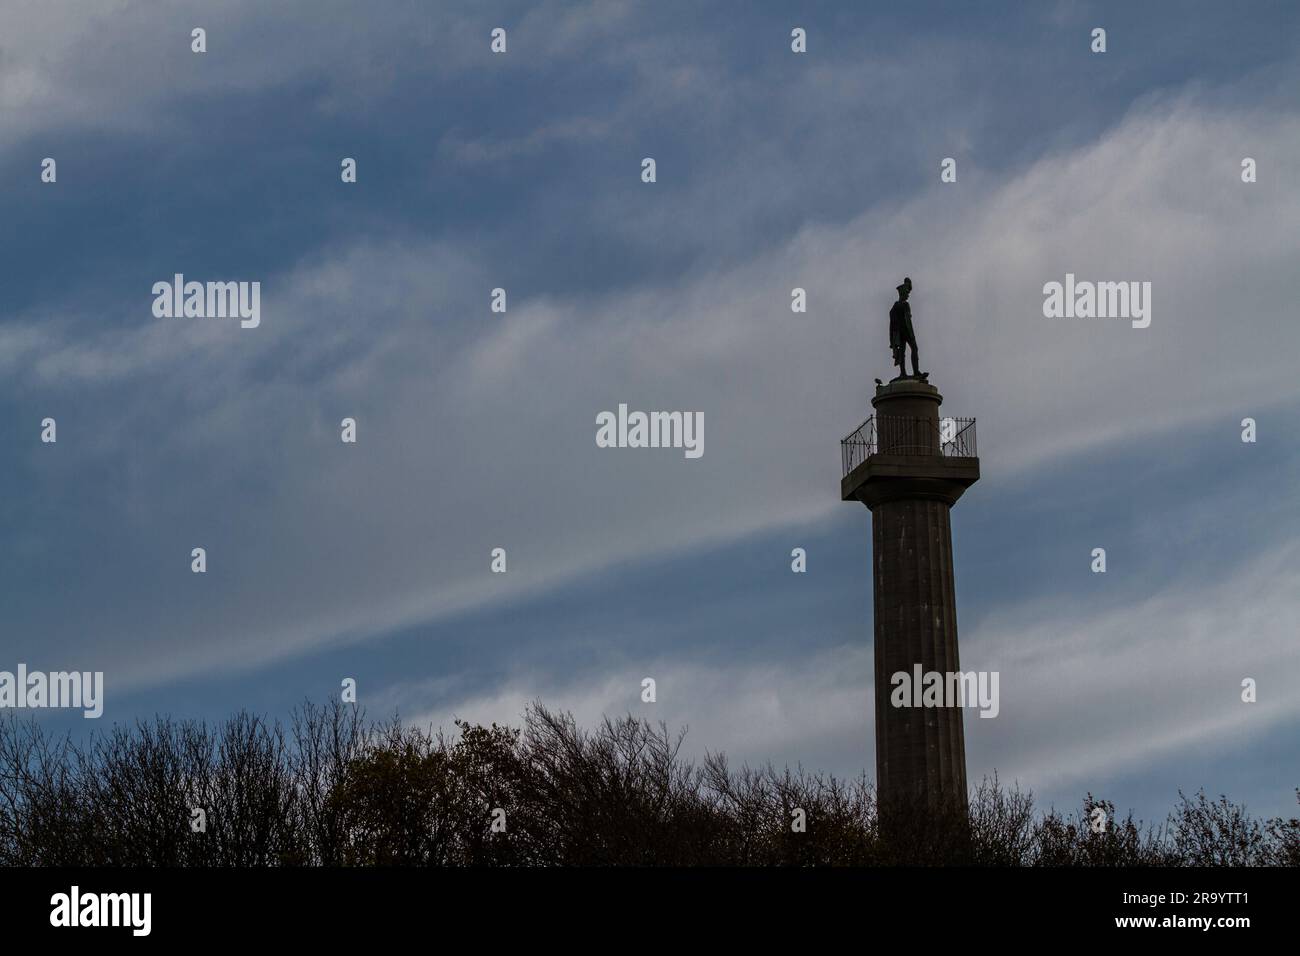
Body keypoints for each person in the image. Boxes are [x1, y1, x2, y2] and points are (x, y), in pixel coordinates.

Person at [888, 277, 922, 379]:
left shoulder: (895, 306)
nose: (908, 295)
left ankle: (905, 373)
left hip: (900, 332)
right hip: (905, 332)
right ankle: (914, 373)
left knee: (903, 352)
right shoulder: (903, 305)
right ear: (902, 294)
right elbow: (908, 322)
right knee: (912, 349)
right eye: (906, 293)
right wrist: (911, 335)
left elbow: (892, 323)